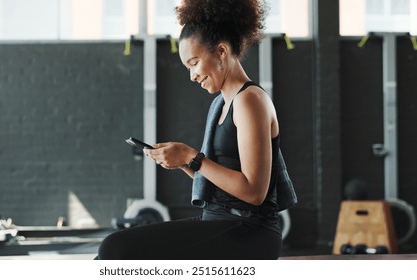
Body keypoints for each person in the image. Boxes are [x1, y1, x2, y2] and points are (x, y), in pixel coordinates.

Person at [96, 0, 296, 260]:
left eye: (194, 63)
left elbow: (254, 192)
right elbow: (221, 185)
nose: (191, 75)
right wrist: (181, 163)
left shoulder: (250, 100)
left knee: (115, 248)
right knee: (111, 251)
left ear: (221, 51)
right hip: (220, 222)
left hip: (249, 233)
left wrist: (191, 157)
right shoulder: (220, 104)